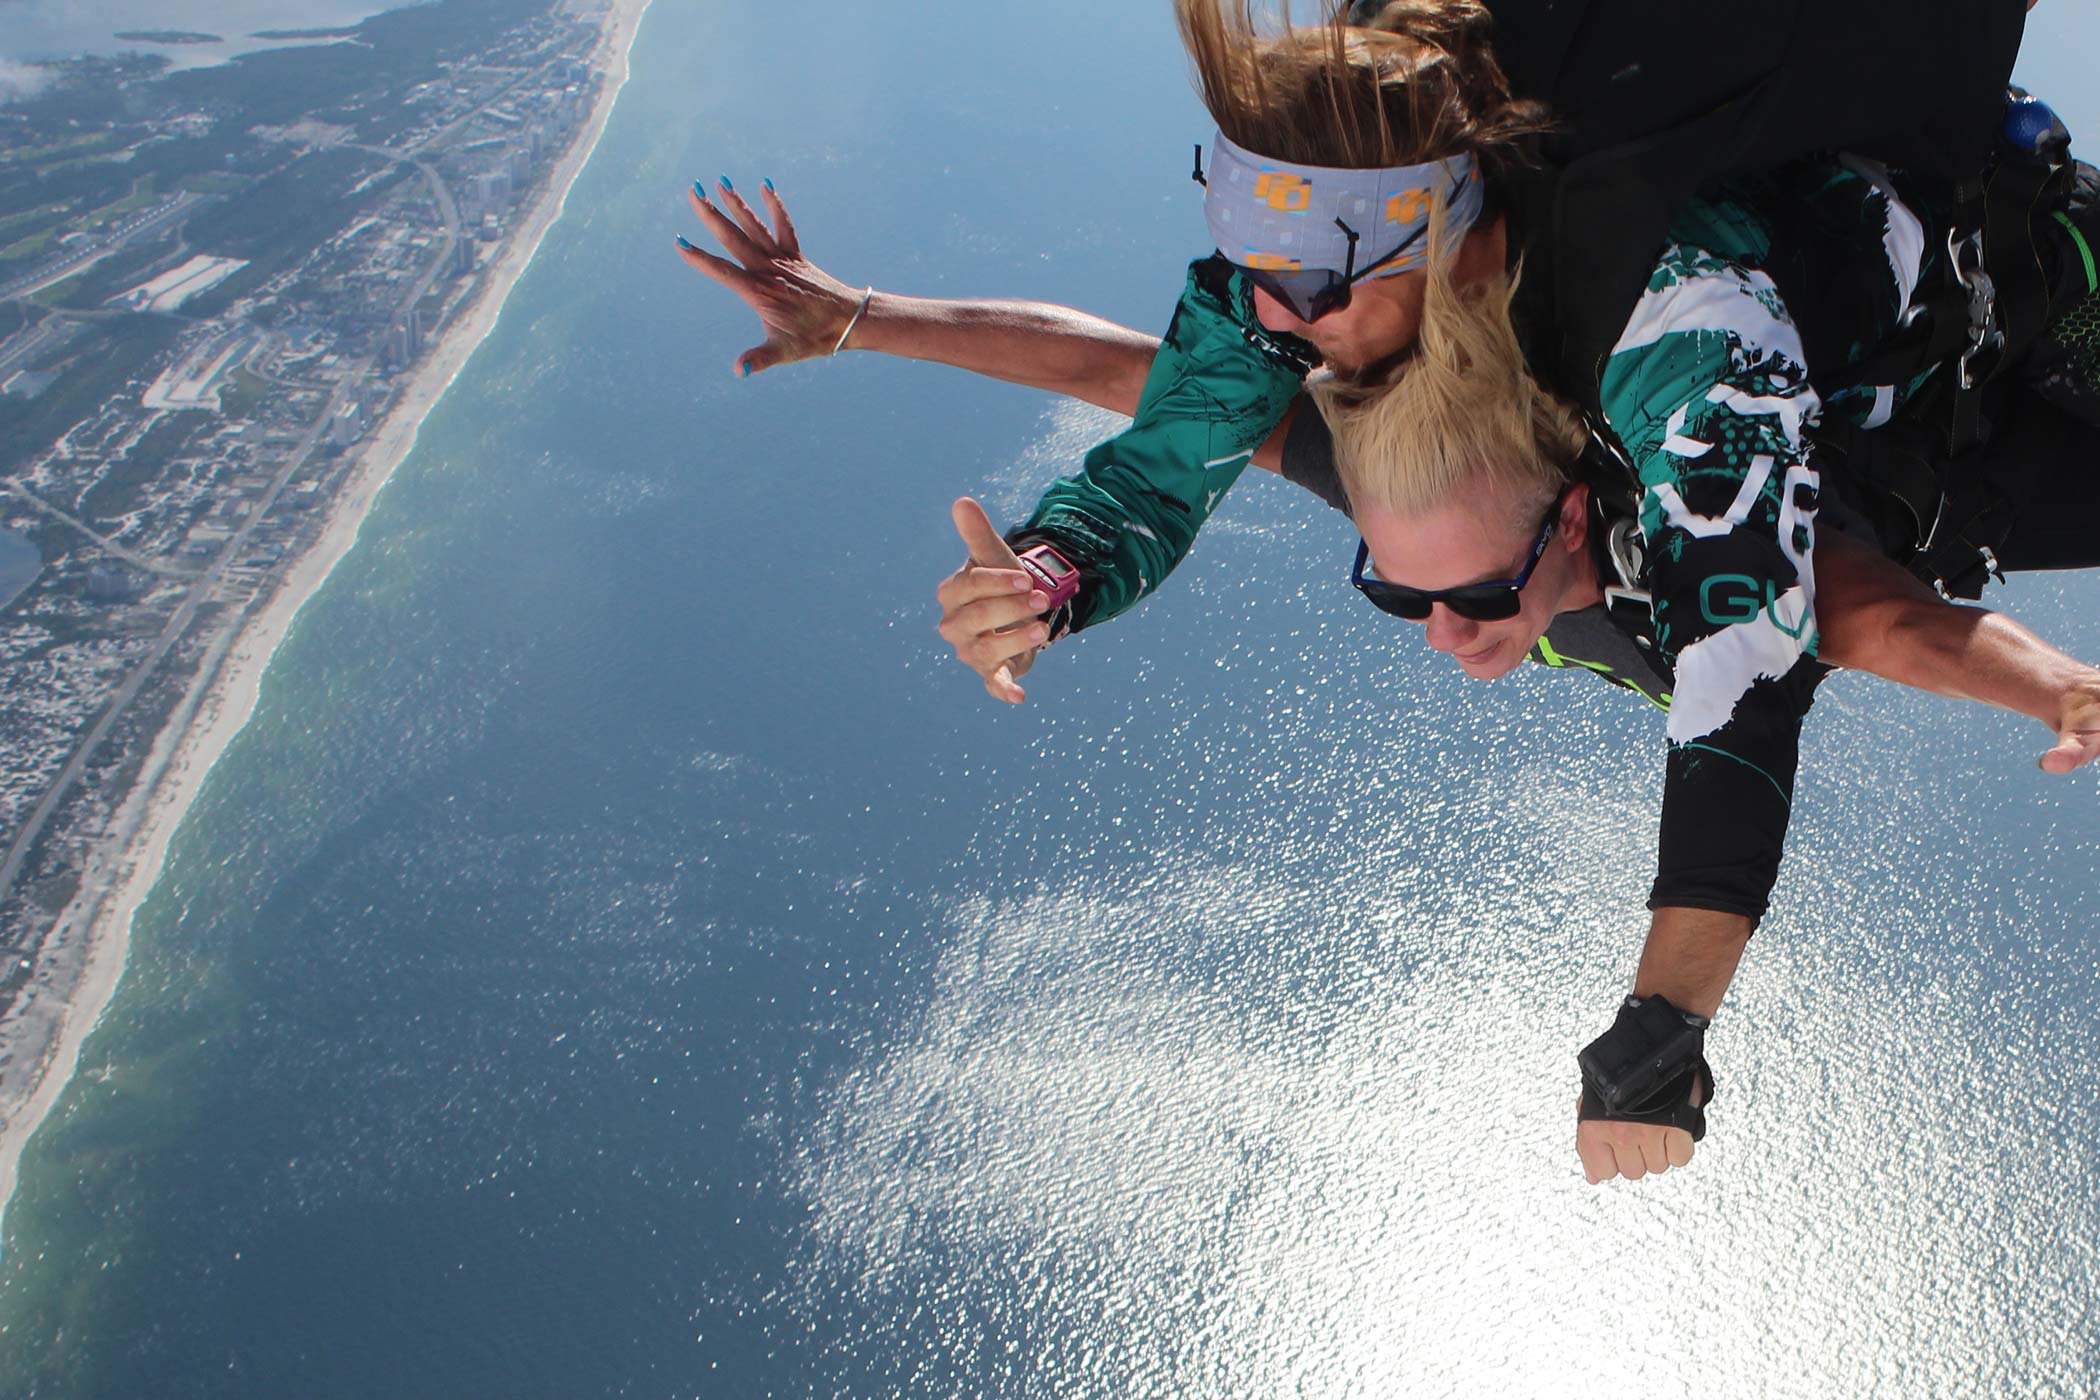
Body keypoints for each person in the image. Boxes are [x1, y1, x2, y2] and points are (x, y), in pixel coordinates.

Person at [673, 0, 2100, 1181]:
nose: (1278, 322)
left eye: (1311, 293)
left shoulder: (1668, 323)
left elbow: (1776, 645)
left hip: (2025, 362)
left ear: (1446, 232)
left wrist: (1664, 1024)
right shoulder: (1315, 284)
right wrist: (1051, 571)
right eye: (1259, 283)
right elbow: (1158, 413)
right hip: (1871, 441)